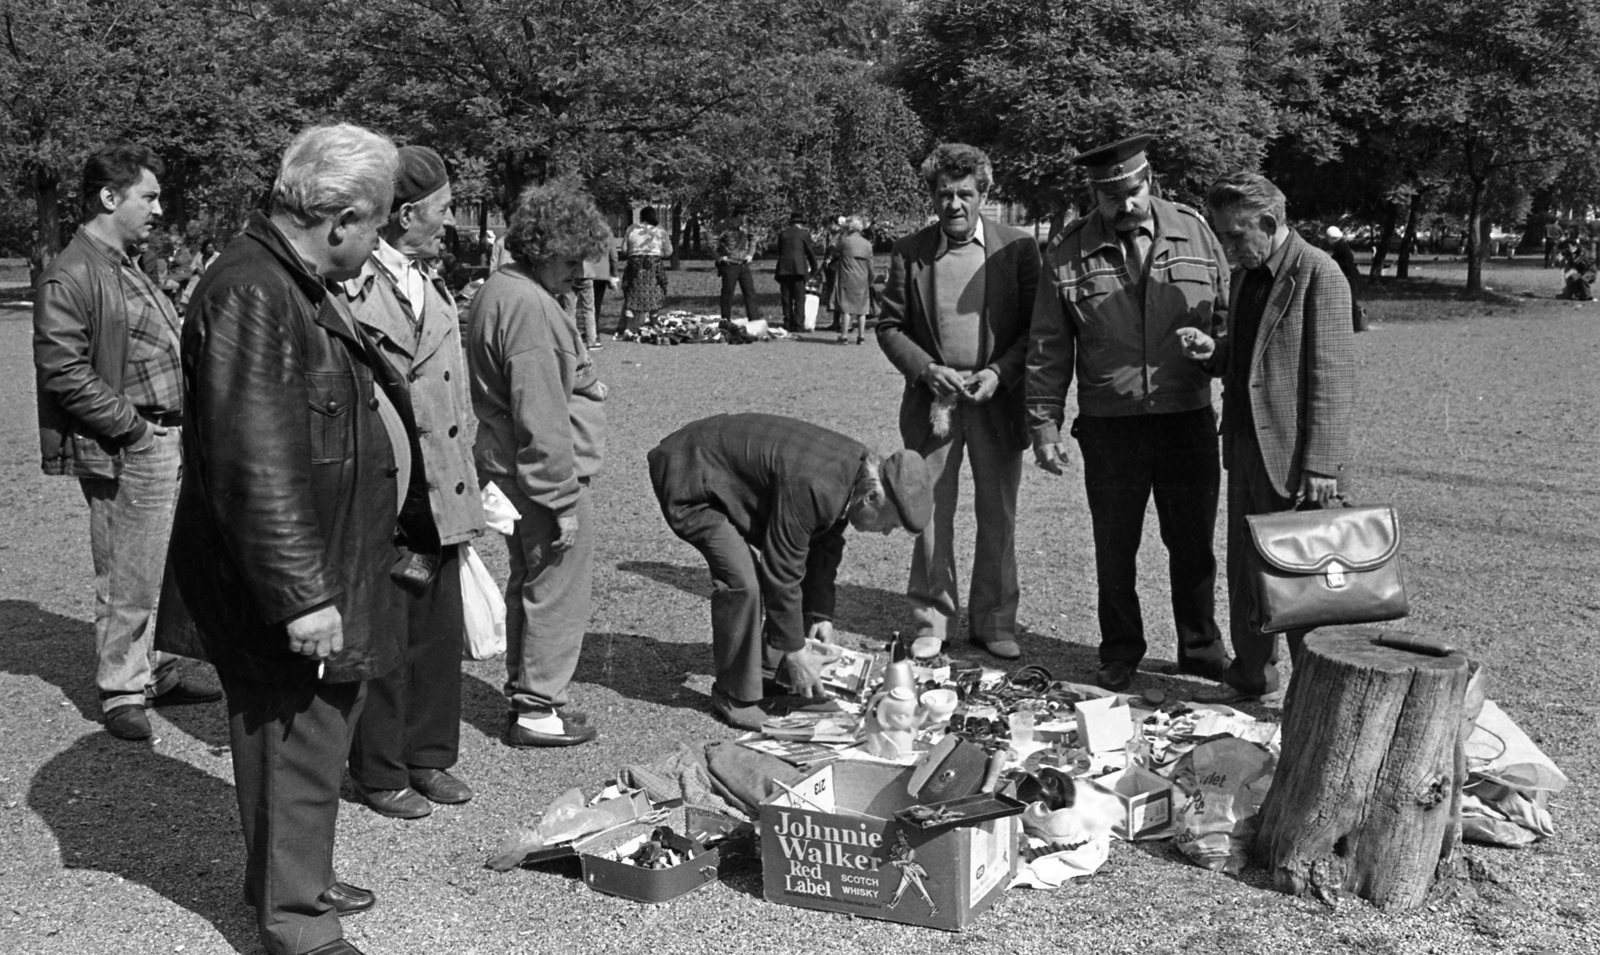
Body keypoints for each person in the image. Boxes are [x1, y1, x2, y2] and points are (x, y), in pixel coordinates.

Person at [156, 123, 405, 955]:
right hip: (292, 577)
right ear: (339, 218)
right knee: (291, 740)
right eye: (378, 221)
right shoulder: (254, 291)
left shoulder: (288, 279)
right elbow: (252, 463)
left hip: (329, 556)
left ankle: (299, 876)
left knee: (317, 734)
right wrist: (302, 596)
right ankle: (295, 922)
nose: (382, 238)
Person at [1026, 134, 1232, 693]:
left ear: (1150, 181)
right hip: (1110, 426)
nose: (1124, 205)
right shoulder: (1068, 251)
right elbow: (1048, 347)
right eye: (1109, 195)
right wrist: (1044, 426)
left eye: (1131, 190)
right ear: (1095, 195)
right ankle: (1119, 651)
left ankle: (1201, 648)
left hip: (1185, 416)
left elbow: (1229, 321)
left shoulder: (1196, 231)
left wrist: (1216, 352)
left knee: (1193, 544)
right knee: (1115, 549)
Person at [32, 143, 220, 743]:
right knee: (126, 572)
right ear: (110, 198)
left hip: (167, 435)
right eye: (149, 196)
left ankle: (154, 671)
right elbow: (64, 370)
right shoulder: (74, 272)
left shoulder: (124, 261)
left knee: (162, 566)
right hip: (131, 443)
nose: (158, 208)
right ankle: (120, 690)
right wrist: (134, 430)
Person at [335, 145, 487, 818]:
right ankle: (379, 768)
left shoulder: (431, 278)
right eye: (443, 208)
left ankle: (429, 755)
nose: (450, 221)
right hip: (391, 483)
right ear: (404, 214)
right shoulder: (351, 286)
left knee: (436, 630)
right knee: (387, 636)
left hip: (443, 482)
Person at [1179, 171, 1356, 700]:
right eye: (1222, 237)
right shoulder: (1245, 275)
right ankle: (1250, 675)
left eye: (1235, 236)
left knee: (1304, 584)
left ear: (1269, 222)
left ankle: (1318, 694)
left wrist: (1322, 463)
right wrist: (1214, 353)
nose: (1229, 249)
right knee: (1247, 572)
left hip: (1296, 459)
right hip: (1246, 449)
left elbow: (1333, 376)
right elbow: (1250, 356)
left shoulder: (1319, 274)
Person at [647, 413, 933, 730]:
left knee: (780, 581)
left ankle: (769, 673)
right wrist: (796, 652)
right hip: (689, 476)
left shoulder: (856, 473)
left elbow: (824, 545)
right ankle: (734, 694)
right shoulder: (818, 485)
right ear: (872, 497)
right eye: (890, 523)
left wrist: (819, 614)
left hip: (716, 470)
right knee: (744, 582)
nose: (886, 533)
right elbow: (782, 567)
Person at [876, 143, 1040, 661]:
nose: (954, 204)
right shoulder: (910, 251)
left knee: (998, 514)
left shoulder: (1016, 248)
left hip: (996, 400)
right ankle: (932, 618)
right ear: (932, 196)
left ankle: (994, 621)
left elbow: (1037, 330)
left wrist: (998, 372)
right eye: (944, 194)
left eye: (965, 194)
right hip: (935, 404)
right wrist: (926, 370)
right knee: (929, 513)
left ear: (983, 195)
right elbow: (889, 325)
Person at [467, 176, 611, 748]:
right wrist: (561, 498)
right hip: (540, 475)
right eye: (573, 258)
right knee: (556, 586)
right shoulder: (529, 306)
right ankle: (538, 706)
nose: (580, 271)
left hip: (509, 465)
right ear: (549, 247)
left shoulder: (506, 290)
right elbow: (542, 415)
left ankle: (530, 694)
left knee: (532, 580)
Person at [617, 206, 672, 340]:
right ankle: (654, 325)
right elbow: (669, 251)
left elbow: (624, 249)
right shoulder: (660, 230)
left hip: (634, 267)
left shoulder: (631, 229)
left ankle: (628, 328)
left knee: (631, 296)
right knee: (654, 295)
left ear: (641, 216)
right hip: (653, 266)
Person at [829, 216, 876, 344]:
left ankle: (844, 336)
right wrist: (871, 278)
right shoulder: (867, 244)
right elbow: (870, 264)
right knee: (862, 309)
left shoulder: (844, 241)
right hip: (862, 277)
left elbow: (831, 246)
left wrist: (840, 232)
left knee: (846, 307)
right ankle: (861, 337)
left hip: (847, 276)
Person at [715, 206, 762, 324]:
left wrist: (751, 253)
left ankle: (754, 319)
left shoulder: (746, 225)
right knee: (728, 293)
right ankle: (725, 319)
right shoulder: (724, 224)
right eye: (744, 215)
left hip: (743, 263)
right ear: (739, 214)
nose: (745, 218)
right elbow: (712, 240)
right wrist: (719, 256)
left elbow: (754, 237)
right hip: (729, 263)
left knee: (749, 291)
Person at [774, 212, 819, 332]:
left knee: (786, 297)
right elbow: (810, 252)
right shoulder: (803, 234)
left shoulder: (782, 234)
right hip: (798, 269)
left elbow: (779, 250)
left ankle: (787, 322)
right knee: (799, 298)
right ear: (801, 224)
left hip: (783, 269)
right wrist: (814, 268)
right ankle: (798, 324)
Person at [575, 236, 619, 349]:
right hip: (600, 272)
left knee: (572, 306)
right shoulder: (605, 231)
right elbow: (613, 254)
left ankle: (573, 337)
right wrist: (614, 273)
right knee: (594, 306)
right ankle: (593, 335)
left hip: (580, 271)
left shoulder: (581, 228)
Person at [1326, 226, 1368, 332]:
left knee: (1350, 301)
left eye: (1328, 238)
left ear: (1333, 238)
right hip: (1350, 276)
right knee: (1350, 301)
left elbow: (1345, 262)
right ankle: (1353, 324)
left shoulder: (1341, 247)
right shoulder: (1341, 246)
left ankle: (1356, 325)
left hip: (1349, 277)